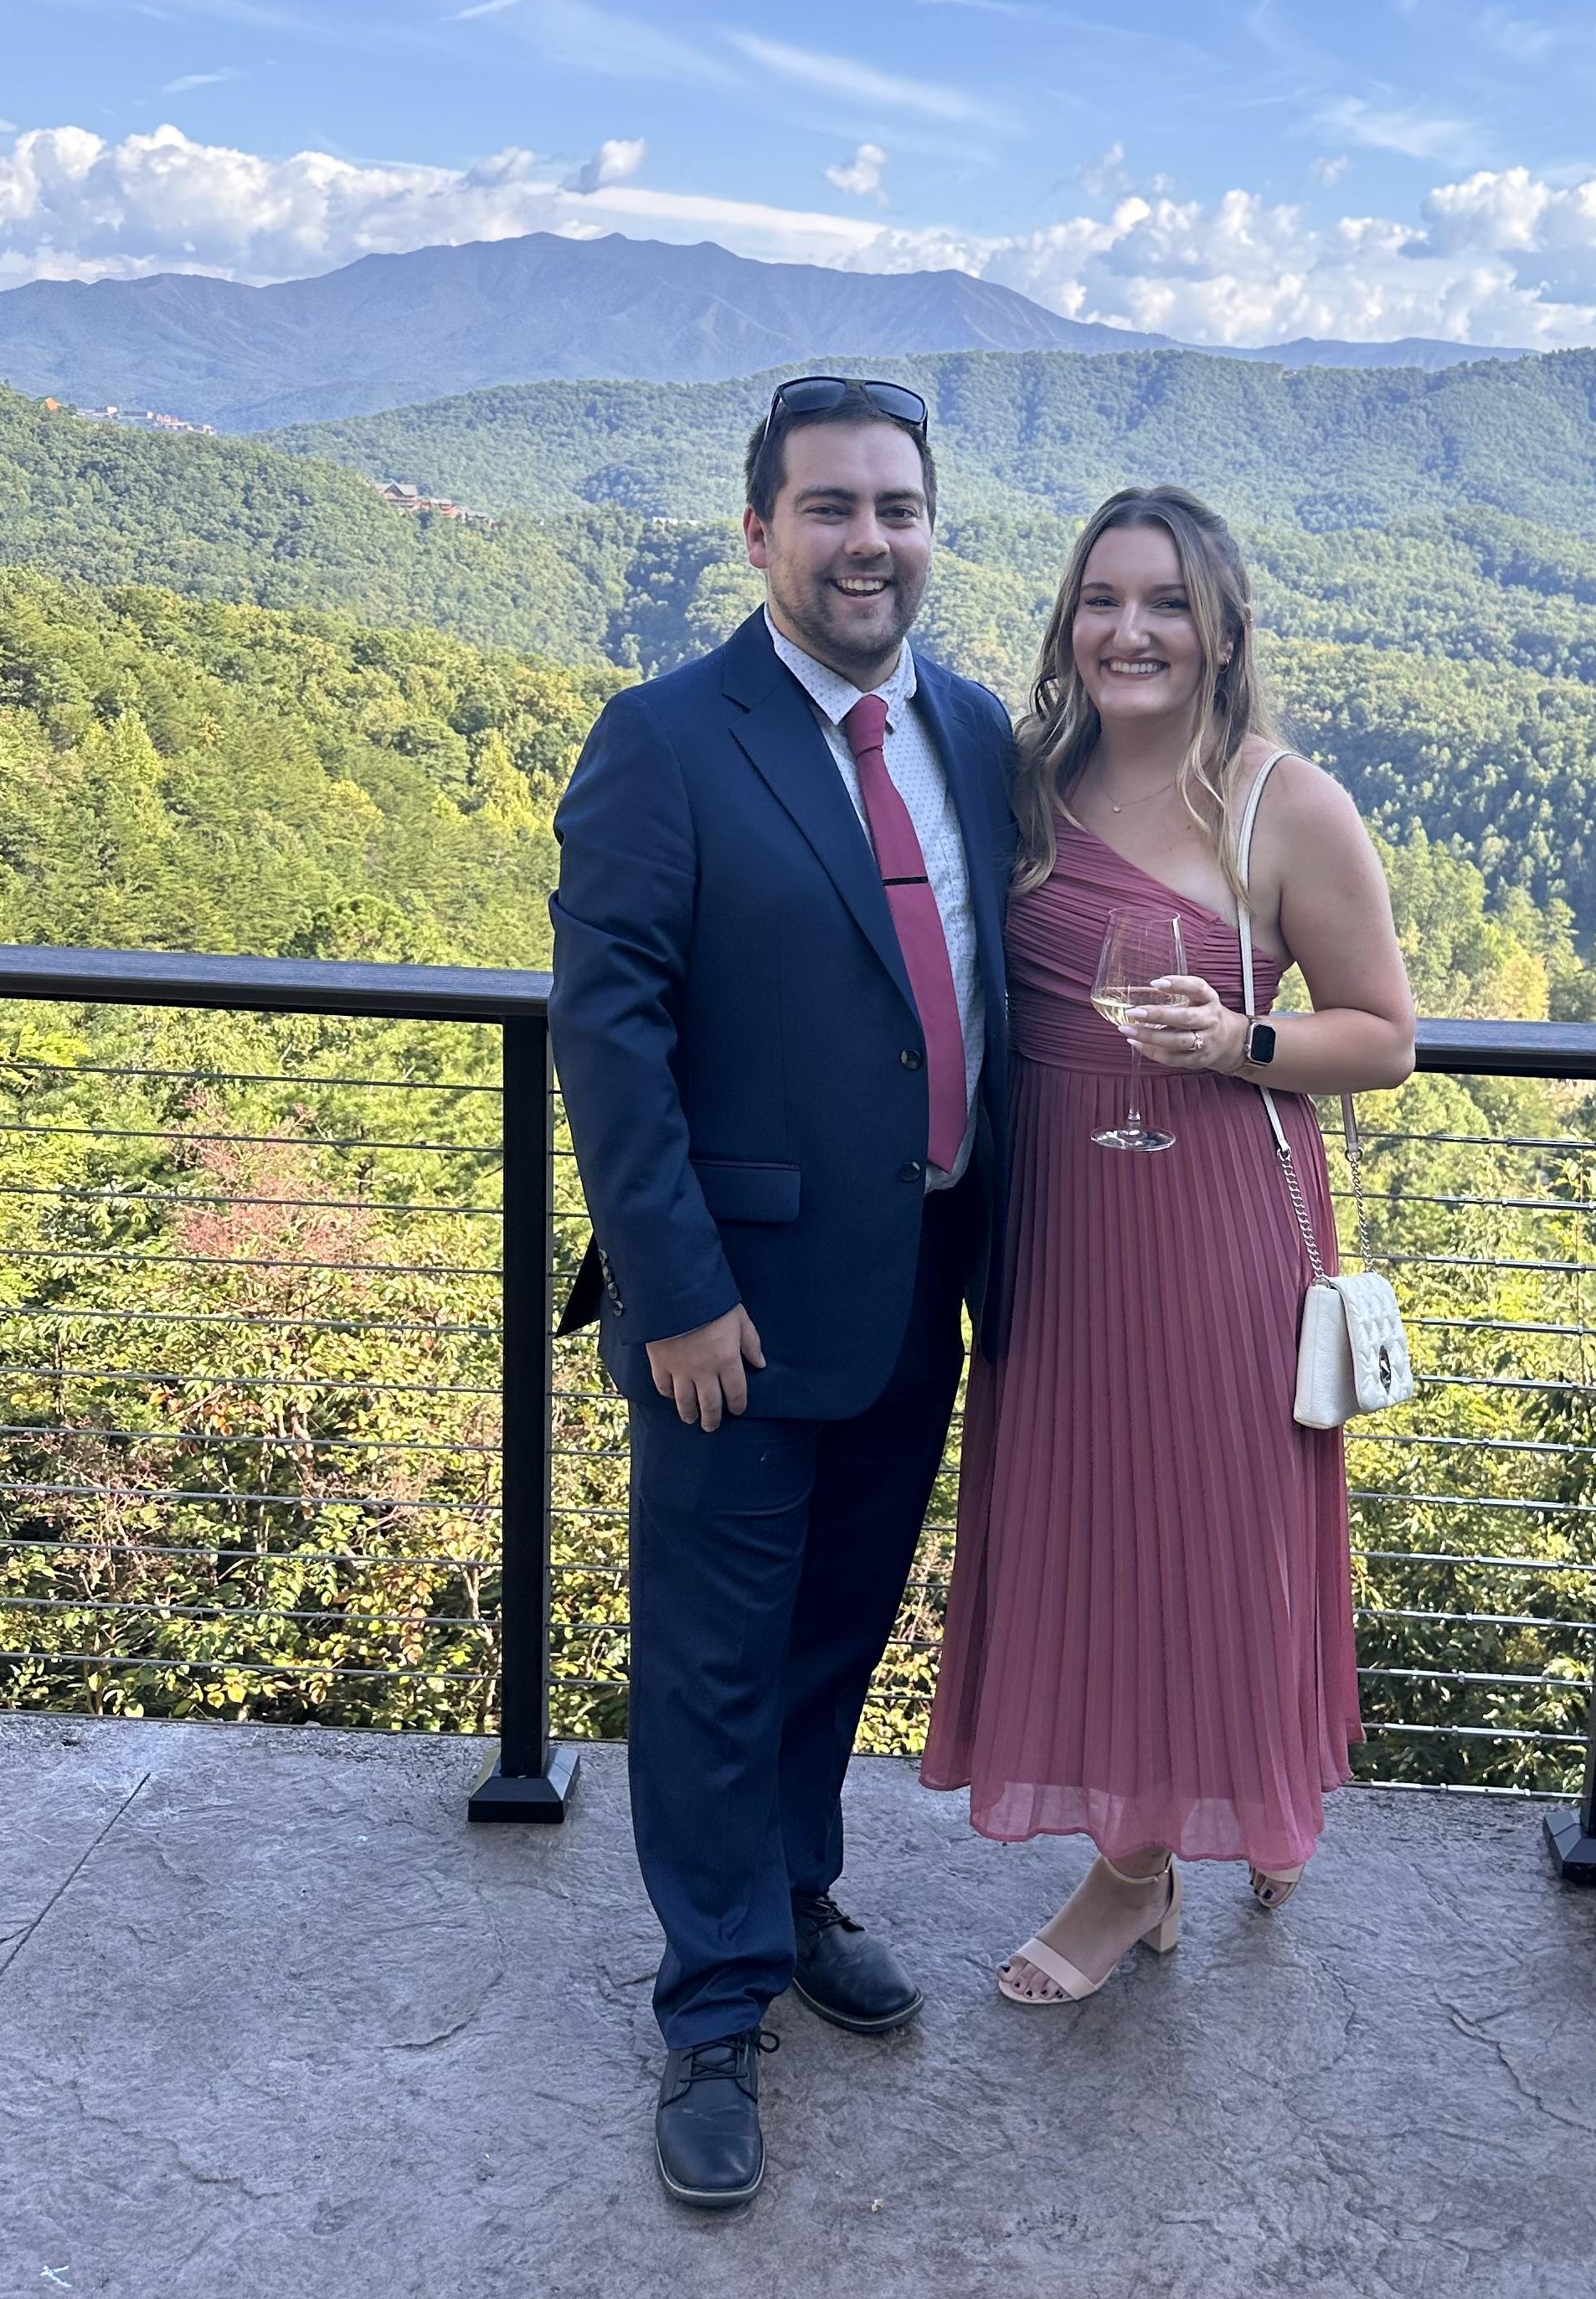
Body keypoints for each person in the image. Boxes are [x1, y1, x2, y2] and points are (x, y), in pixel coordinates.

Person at [549, 376, 1016, 2205]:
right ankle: (714, 2004)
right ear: (758, 534)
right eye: (830, 508)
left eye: (897, 507)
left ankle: (796, 1889)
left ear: (931, 530)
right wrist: (674, 1291)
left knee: (836, 1630)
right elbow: (611, 1033)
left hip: (921, 1291)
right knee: (713, 1662)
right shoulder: (666, 739)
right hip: (729, 1316)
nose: (867, 541)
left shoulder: (970, 730)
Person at [920, 485, 1415, 2003]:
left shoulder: (1287, 806)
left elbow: (1385, 1038)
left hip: (1213, 1233)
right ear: (1067, 620)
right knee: (1085, 1536)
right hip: (1054, 1232)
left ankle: (1131, 1878)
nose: (1129, 631)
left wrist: (1243, 1040)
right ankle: (1174, 1830)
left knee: (1205, 1540)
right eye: (1102, 599)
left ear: (1222, 629)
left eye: (1165, 604)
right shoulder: (1021, 782)